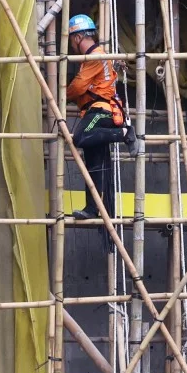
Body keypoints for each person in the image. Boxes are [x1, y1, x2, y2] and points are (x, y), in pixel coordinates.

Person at [65, 14, 130, 220]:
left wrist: (63, 95)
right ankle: (93, 208)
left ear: (76, 38)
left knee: (79, 138)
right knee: (95, 164)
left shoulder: (94, 56)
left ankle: (124, 133)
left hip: (100, 111)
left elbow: (78, 87)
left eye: (70, 39)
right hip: (95, 110)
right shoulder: (97, 56)